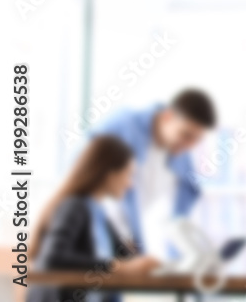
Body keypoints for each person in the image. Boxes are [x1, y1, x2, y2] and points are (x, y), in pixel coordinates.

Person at [29, 136, 160, 302]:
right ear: (109, 174)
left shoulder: (98, 213)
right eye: (128, 174)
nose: (130, 185)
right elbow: (53, 258)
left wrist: (148, 264)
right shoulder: (74, 207)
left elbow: (127, 257)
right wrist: (120, 267)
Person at [91, 89, 216, 257]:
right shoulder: (122, 127)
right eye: (185, 135)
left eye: (196, 140)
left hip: (137, 248)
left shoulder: (180, 155)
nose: (189, 145)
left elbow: (178, 211)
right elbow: (85, 181)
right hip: (100, 240)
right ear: (167, 116)